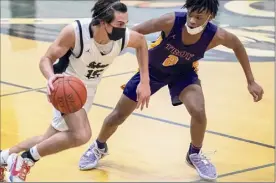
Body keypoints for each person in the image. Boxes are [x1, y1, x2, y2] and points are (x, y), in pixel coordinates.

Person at [79, 0, 264, 181]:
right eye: (191, 14)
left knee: (198, 111)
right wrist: (108, 49)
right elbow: (135, 32)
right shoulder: (171, 21)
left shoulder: (217, 35)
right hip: (152, 70)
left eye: (198, 17)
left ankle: (195, 154)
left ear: (211, 16)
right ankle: (99, 146)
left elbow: (238, 46)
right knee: (119, 115)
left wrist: (251, 81)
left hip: (183, 74)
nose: (192, 20)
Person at [0, 0, 151, 182]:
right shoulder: (76, 32)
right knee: (81, 134)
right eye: (119, 24)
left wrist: (145, 81)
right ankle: (25, 160)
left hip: (88, 89)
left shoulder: (122, 37)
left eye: (126, 23)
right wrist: (51, 78)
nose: (124, 28)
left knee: (50, 138)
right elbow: (46, 59)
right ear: (103, 22)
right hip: (66, 86)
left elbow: (142, 43)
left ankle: (4, 157)